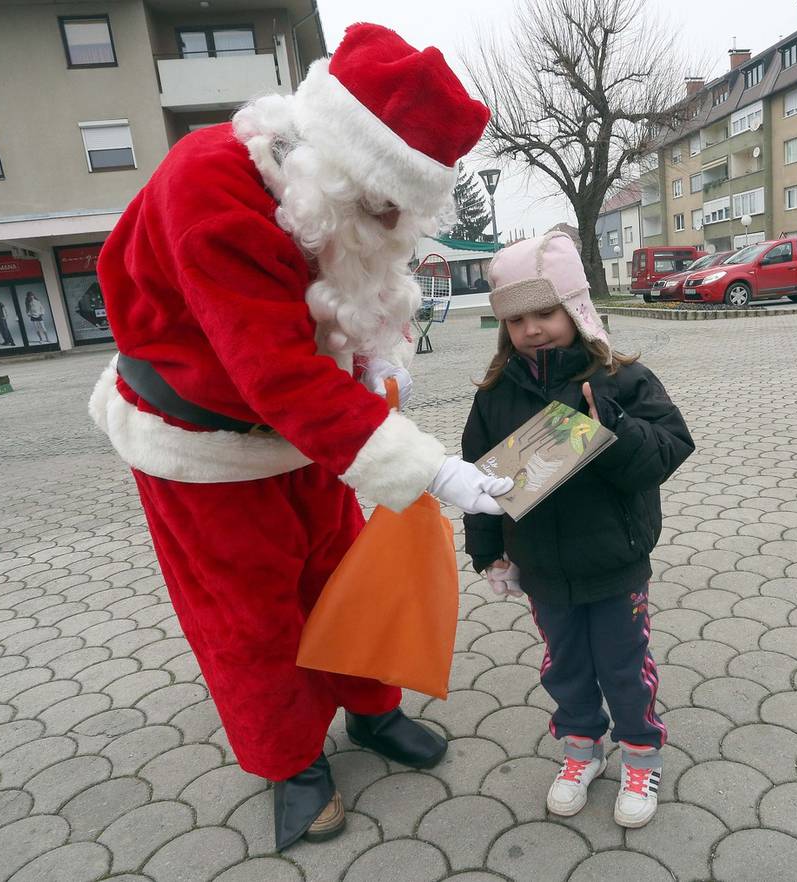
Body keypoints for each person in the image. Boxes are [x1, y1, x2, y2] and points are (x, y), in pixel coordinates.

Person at [88, 23, 511, 851]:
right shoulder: (210, 184)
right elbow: (274, 371)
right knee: (251, 618)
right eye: (386, 204)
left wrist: (374, 371)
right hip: (199, 443)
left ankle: (371, 710)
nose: (394, 224)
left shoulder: (325, 201)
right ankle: (291, 763)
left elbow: (340, 312)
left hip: (306, 436)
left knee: (342, 575)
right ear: (343, 163)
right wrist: (428, 469)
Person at [461, 232, 694, 829]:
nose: (532, 329)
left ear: (575, 307)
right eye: (516, 319)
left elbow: (670, 448)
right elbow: (479, 481)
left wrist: (609, 428)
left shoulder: (621, 377)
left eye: (545, 312)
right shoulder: (495, 394)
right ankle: (580, 749)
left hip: (615, 563)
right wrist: (489, 553)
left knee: (622, 662)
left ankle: (641, 754)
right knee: (564, 665)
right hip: (541, 567)